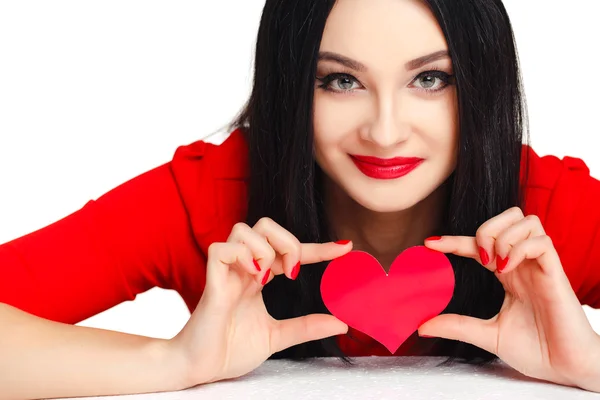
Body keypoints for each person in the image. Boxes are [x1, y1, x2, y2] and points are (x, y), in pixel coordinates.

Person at [1, 0, 599, 398]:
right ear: (290, 87)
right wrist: (175, 363)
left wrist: (587, 360)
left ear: (485, 85)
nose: (385, 131)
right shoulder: (211, 194)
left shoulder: (543, 210)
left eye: (430, 79)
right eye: (340, 80)